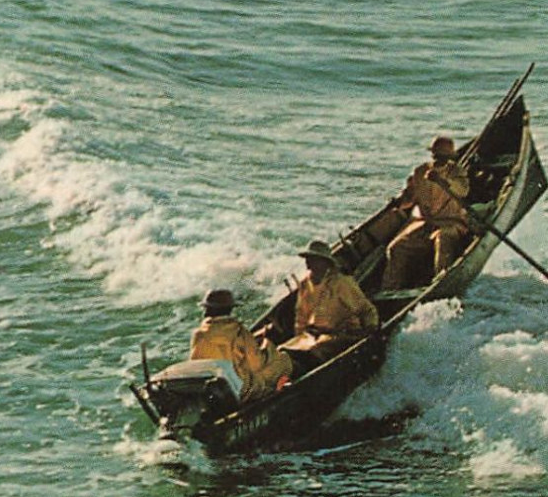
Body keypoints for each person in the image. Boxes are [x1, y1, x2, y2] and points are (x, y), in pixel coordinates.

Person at [382, 134, 472, 290]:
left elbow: (462, 191)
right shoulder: (420, 172)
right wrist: (398, 202)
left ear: (450, 157)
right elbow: (409, 198)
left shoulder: (457, 172)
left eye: (444, 157)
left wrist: (443, 182)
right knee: (396, 248)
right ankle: (390, 289)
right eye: (437, 156)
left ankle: (439, 283)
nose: (439, 160)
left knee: (442, 240)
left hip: (450, 223)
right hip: (424, 223)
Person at [280, 239, 379, 371]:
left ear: (325, 263)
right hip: (312, 336)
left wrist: (370, 329)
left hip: (341, 336)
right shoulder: (305, 285)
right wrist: (299, 336)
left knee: (313, 352)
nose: (308, 263)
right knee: (282, 351)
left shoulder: (342, 283)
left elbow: (366, 310)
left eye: (313, 259)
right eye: (308, 259)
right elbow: (301, 316)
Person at [189, 288, 293, 403]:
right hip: (239, 388)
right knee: (283, 359)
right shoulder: (238, 331)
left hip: (209, 385)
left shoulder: (197, 335)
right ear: (229, 309)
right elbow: (256, 365)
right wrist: (267, 349)